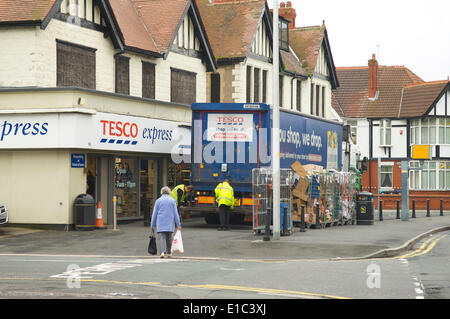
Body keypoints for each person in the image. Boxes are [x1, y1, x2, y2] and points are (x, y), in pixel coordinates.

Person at [150, 186, 181, 258]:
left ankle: (162, 252)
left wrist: (152, 224)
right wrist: (178, 224)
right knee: (169, 238)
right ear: (169, 192)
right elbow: (175, 214)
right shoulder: (172, 201)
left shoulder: (158, 201)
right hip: (170, 223)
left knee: (162, 238)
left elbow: (154, 214)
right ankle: (169, 253)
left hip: (160, 222)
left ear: (161, 192)